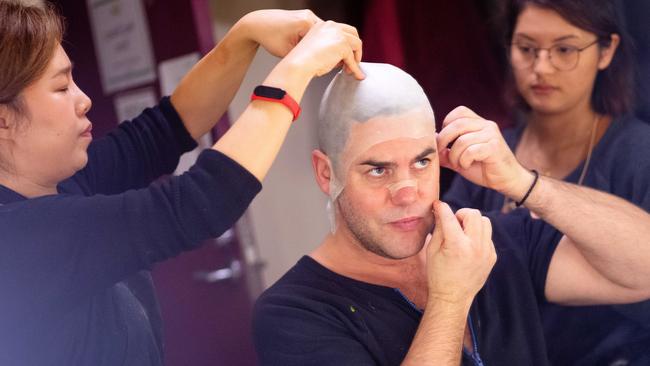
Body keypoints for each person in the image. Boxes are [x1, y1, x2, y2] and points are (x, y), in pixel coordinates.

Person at [0, 1, 364, 365]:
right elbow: (199, 200)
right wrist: (295, 72)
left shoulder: (65, 183)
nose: (84, 100)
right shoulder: (14, 242)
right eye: (62, 87)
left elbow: (170, 125)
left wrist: (246, 34)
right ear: (4, 120)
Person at [252, 62, 650, 365]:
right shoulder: (292, 313)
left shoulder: (486, 242)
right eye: (378, 169)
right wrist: (450, 298)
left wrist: (524, 183)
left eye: (422, 162)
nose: (407, 192)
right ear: (327, 173)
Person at [443, 0, 650, 364]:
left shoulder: (638, 155)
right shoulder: (484, 154)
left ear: (607, 50)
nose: (541, 67)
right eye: (526, 49)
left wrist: (527, 185)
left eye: (565, 49)